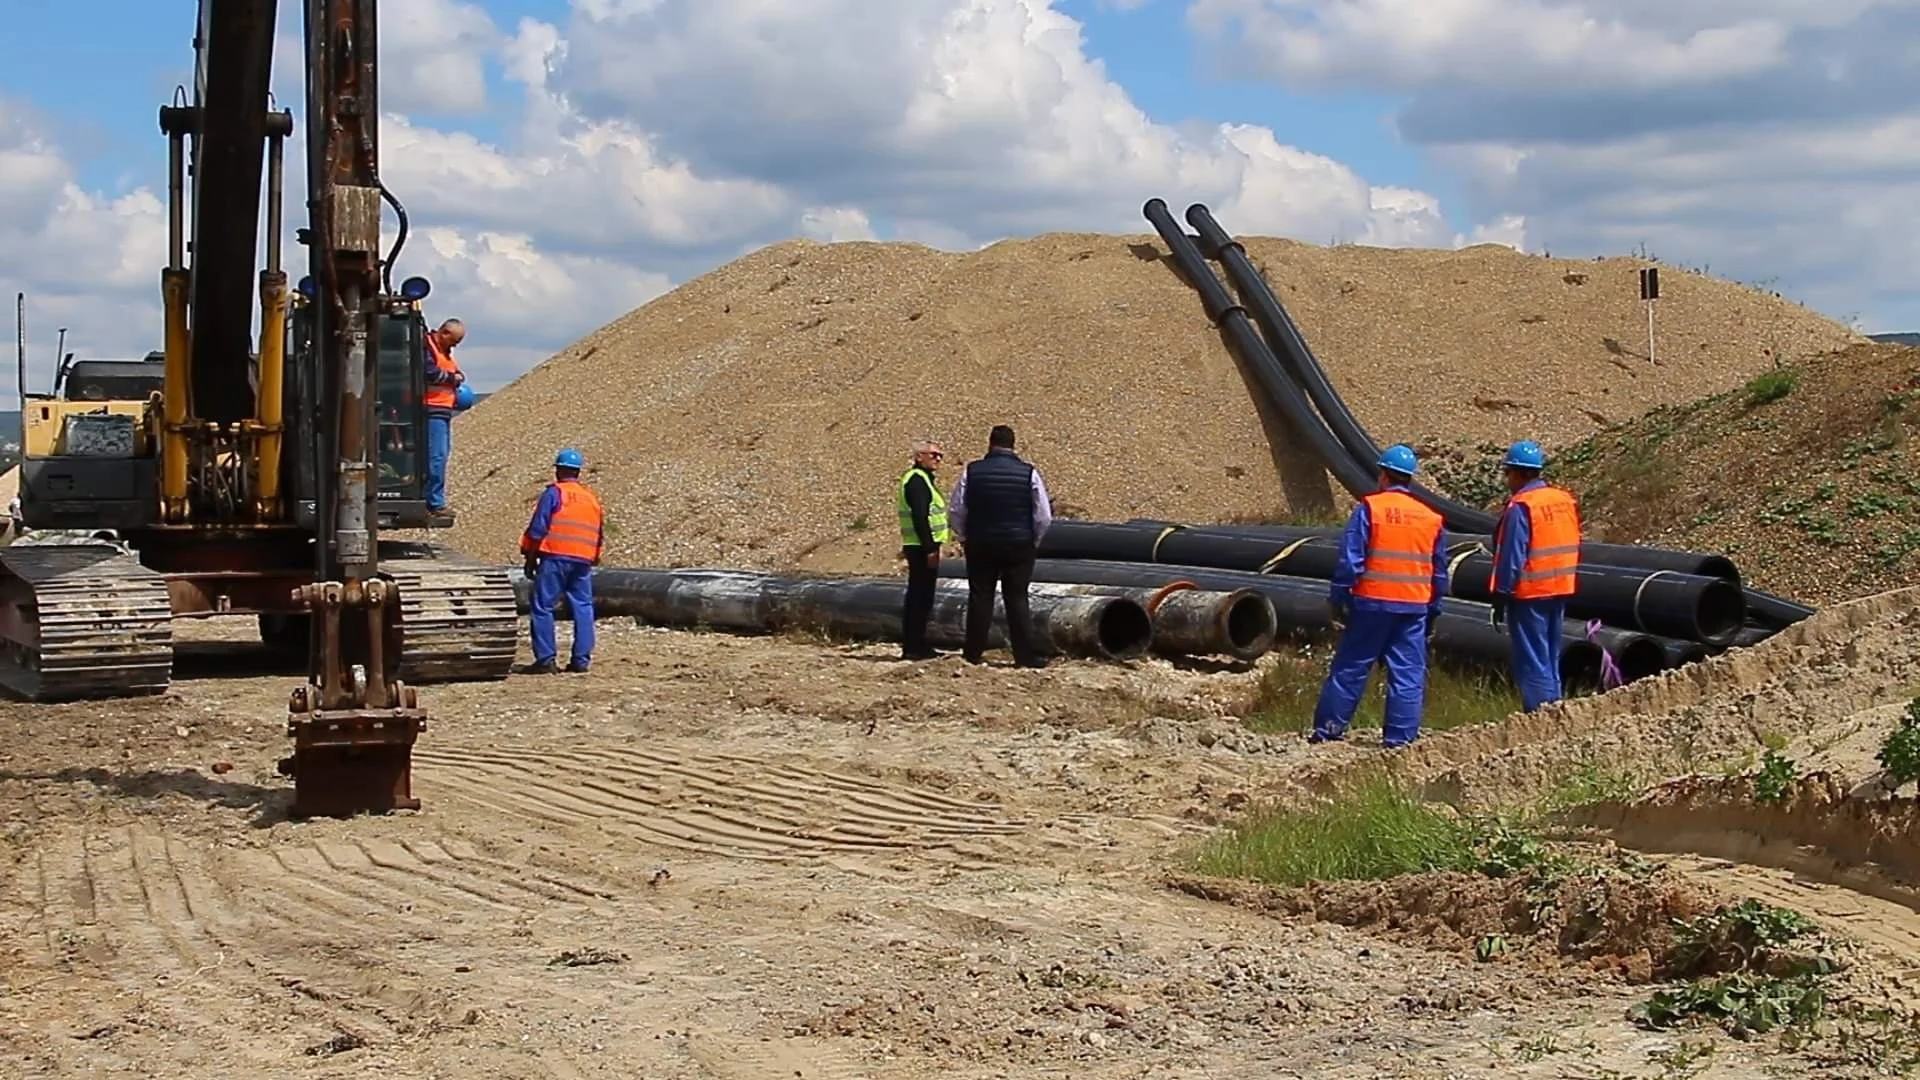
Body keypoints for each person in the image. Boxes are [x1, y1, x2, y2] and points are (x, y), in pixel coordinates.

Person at [1309, 444, 1448, 748]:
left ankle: (1328, 731)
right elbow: (1439, 573)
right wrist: (1434, 609)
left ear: (1383, 476)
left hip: (1372, 603)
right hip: (1414, 606)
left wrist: (1339, 598)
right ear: (1410, 478)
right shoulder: (1430, 517)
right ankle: (1400, 740)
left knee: (1351, 667)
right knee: (1408, 673)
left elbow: (1351, 562)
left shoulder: (1370, 509)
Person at [946, 424, 1053, 669]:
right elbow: (1043, 515)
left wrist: (965, 537)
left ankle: (972, 655)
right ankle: (1024, 658)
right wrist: (1033, 540)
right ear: (1013, 445)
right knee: (1017, 599)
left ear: (990, 443)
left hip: (981, 543)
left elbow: (956, 510)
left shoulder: (972, 471)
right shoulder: (1029, 473)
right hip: (1018, 544)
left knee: (980, 598)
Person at [1489, 439, 1581, 711]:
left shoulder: (1522, 506)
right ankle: (1554, 711)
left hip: (1530, 592)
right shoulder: (1562, 500)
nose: (1507, 479)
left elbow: (1511, 555)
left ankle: (1539, 715)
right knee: (1550, 656)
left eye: (1508, 473)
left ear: (1518, 473)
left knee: (1532, 659)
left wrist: (1501, 593)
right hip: (1560, 587)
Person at [518, 447, 604, 675]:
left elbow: (538, 529)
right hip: (583, 560)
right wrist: (592, 558)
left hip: (555, 557)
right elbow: (599, 532)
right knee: (583, 607)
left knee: (543, 606)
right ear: (577, 472)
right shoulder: (591, 498)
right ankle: (581, 661)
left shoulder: (555, 493)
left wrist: (529, 554)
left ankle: (546, 660)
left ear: (559, 471)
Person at [895, 438, 949, 660]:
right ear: (919, 457)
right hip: (921, 546)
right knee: (920, 596)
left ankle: (916, 644)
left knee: (921, 595)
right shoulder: (917, 481)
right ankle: (914, 646)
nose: (938, 458)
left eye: (940, 455)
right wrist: (929, 548)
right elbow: (920, 516)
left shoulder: (923, 479)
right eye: (933, 454)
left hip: (920, 544)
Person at [422, 318, 467, 522]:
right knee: (436, 457)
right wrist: (453, 379)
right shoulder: (427, 346)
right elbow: (429, 372)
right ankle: (433, 502)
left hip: (442, 410)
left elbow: (453, 371)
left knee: (441, 456)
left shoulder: (444, 351)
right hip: (431, 409)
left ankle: (432, 499)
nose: (455, 346)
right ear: (444, 333)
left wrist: (457, 375)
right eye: (454, 341)